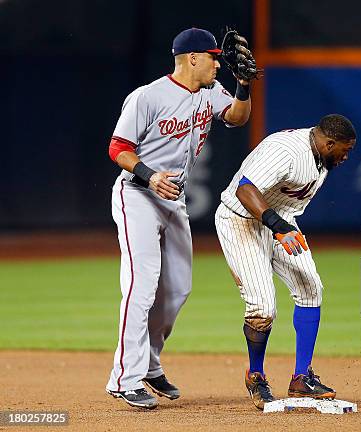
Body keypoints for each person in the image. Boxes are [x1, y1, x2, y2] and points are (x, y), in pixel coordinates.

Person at [105, 27, 254, 409]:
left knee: (177, 289)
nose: (218, 63)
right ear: (192, 58)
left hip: (174, 200)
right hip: (137, 194)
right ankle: (125, 377)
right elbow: (118, 149)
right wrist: (150, 175)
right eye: (213, 57)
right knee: (142, 285)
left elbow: (237, 117)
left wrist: (242, 85)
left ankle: (150, 364)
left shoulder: (210, 92)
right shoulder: (148, 96)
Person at [214, 114, 357, 409]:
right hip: (240, 220)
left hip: (280, 221)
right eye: (345, 149)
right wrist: (278, 227)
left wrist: (280, 226)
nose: (346, 156)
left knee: (310, 288)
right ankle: (256, 376)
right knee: (263, 307)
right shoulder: (286, 150)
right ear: (329, 143)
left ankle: (302, 379)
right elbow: (245, 190)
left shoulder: (320, 154)